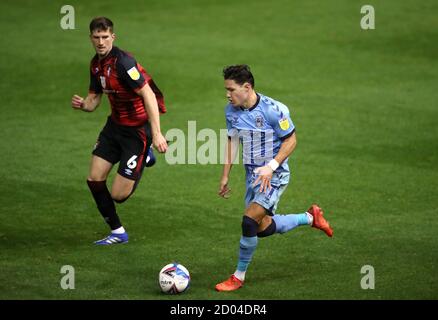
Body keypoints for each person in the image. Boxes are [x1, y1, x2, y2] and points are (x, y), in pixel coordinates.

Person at [215, 65, 333, 291]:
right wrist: (225, 176)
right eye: (226, 90)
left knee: (248, 222)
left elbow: (291, 140)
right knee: (262, 227)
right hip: (253, 176)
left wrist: (271, 166)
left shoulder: (273, 110)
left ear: (247, 87)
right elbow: (232, 141)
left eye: (231, 89)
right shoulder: (231, 111)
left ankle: (238, 277)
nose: (227, 95)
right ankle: (309, 217)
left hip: (274, 175)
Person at [71, 17, 168, 245]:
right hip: (114, 128)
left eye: (105, 37)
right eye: (97, 37)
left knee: (119, 195)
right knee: (94, 179)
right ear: (91, 38)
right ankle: (117, 232)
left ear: (113, 37)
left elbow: (149, 95)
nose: (101, 42)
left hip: (137, 132)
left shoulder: (124, 63)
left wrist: (156, 133)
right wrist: (84, 105)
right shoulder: (95, 64)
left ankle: (144, 157)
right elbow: (94, 99)